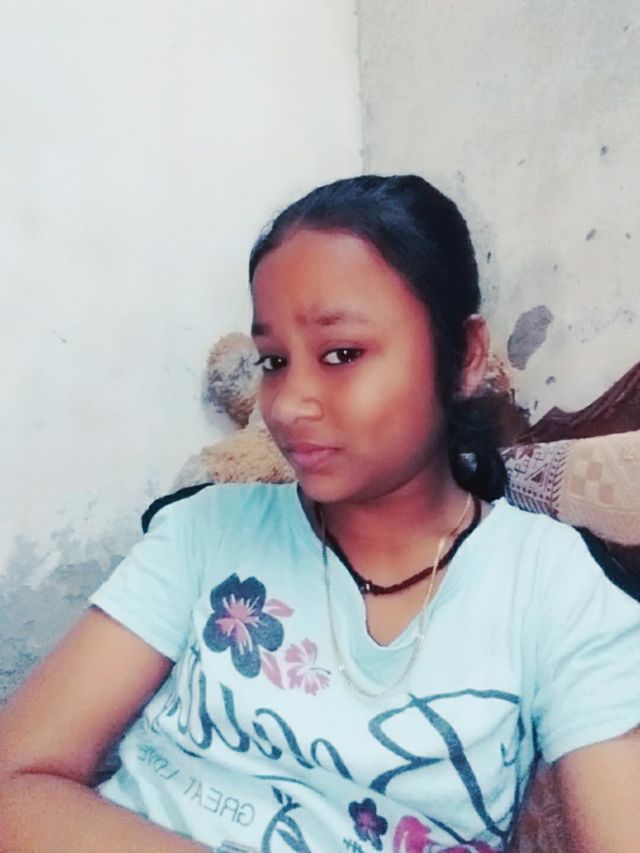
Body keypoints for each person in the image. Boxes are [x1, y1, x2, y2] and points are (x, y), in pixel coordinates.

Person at [1, 175, 639, 853]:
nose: (287, 403)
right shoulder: (204, 531)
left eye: (342, 354)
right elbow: (18, 781)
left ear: (467, 356)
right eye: (274, 361)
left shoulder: (553, 587)